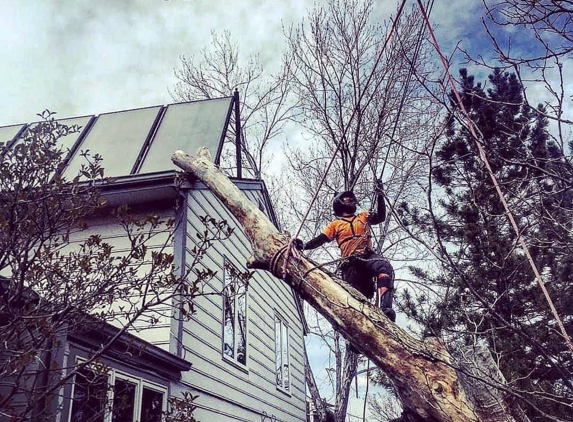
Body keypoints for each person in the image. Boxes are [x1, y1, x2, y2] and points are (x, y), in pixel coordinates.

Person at [296, 180, 396, 322]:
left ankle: (386, 308)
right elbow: (321, 239)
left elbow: (380, 217)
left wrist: (380, 195)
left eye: (351, 200)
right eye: (347, 200)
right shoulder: (335, 225)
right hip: (350, 263)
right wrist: (304, 246)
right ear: (340, 203)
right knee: (354, 298)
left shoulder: (363, 216)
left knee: (384, 267)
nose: (351, 202)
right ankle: (354, 338)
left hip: (367, 256)